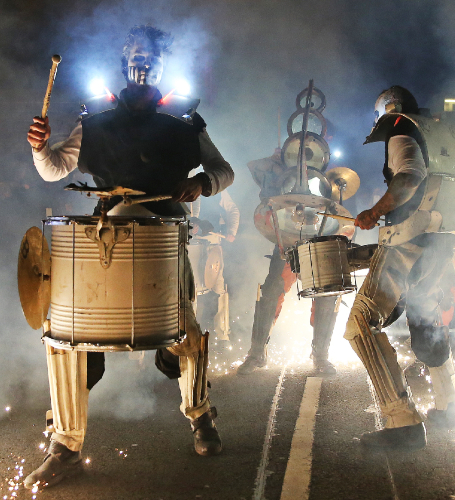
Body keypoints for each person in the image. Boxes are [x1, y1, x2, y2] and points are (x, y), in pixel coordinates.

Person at [25, 25, 234, 488]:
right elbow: (54, 169)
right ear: (126, 63)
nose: (144, 64)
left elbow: (224, 170)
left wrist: (201, 184)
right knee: (71, 335)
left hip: (164, 236)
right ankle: (64, 445)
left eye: (152, 57)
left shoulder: (184, 120)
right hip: (106, 238)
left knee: (186, 332)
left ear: (163, 65)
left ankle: (201, 416)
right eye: (136, 56)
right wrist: (40, 147)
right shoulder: (96, 118)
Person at [345, 86, 455, 450]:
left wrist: (375, 211)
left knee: (360, 324)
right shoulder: (449, 133)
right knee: (425, 319)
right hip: (443, 239)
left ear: (386, 111)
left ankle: (402, 423)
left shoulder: (401, 128)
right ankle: (450, 407)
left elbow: (409, 176)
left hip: (409, 239)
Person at [237, 149, 341, 376]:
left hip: (318, 243)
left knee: (325, 295)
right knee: (271, 292)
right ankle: (256, 353)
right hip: (287, 242)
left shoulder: (327, 183)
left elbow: (336, 215)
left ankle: (320, 355)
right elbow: (254, 166)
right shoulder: (281, 177)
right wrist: (275, 161)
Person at [189, 189, 239, 340]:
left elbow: (233, 210)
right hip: (188, 245)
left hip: (213, 243)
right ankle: (189, 336)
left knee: (218, 289)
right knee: (192, 291)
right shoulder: (178, 185)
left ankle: (222, 334)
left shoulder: (215, 187)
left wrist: (232, 231)